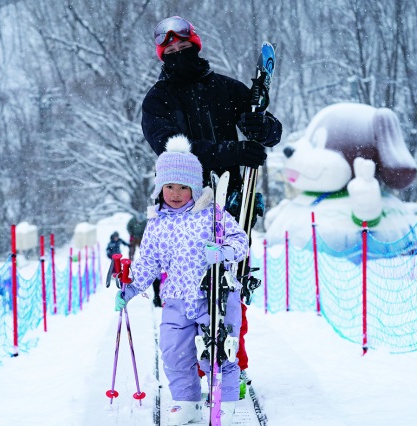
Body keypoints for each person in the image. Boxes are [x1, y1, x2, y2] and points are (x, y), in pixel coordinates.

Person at [142, 15, 283, 404]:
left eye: (183, 48)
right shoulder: (159, 100)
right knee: (189, 290)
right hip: (183, 204)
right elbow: (170, 146)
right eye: (169, 51)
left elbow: (272, 131)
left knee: (230, 283)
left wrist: (260, 124)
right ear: (161, 56)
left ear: (196, 45)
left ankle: (232, 363)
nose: (177, 54)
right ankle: (186, 375)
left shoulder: (224, 88)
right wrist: (230, 151)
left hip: (235, 199)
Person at [114, 136, 249, 426]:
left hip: (215, 296)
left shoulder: (211, 215)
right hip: (176, 299)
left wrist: (224, 251)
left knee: (218, 350)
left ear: (195, 188)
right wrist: (132, 287)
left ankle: (224, 402)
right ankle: (187, 403)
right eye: (169, 186)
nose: (175, 193)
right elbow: (148, 262)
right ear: (160, 188)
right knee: (173, 351)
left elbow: (242, 241)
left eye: (184, 187)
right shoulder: (157, 223)